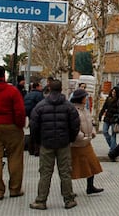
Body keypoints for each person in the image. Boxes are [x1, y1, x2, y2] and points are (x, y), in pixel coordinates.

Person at [29, 80, 80, 210]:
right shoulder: (69, 107)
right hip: (63, 143)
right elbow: (75, 125)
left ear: (49, 89)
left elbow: (33, 126)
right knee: (65, 172)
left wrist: (38, 141)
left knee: (45, 173)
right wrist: (70, 139)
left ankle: (41, 200)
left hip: (46, 144)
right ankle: (68, 199)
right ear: (61, 89)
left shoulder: (40, 106)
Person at [0, 66, 26, 200]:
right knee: (15, 157)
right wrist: (20, 125)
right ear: (4, 76)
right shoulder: (12, 91)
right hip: (11, 126)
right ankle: (14, 189)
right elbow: (19, 110)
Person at [70, 88, 104, 194]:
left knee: (92, 163)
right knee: (73, 167)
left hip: (87, 141)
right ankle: (68, 190)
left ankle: (90, 186)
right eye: (85, 97)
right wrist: (81, 137)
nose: (86, 99)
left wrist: (92, 132)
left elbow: (90, 121)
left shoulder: (85, 109)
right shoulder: (73, 110)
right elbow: (73, 127)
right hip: (76, 143)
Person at [24, 82, 44, 156]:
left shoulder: (28, 94)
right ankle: (37, 150)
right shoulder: (39, 95)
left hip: (30, 116)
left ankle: (31, 149)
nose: (41, 87)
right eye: (40, 86)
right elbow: (42, 105)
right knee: (38, 133)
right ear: (37, 87)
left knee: (32, 133)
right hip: (38, 116)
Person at [98, 86, 119, 153]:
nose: (113, 93)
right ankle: (113, 146)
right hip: (107, 118)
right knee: (105, 131)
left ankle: (112, 150)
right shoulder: (108, 98)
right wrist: (100, 115)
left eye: (115, 92)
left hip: (114, 118)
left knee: (113, 134)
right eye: (113, 91)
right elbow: (104, 107)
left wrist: (112, 110)